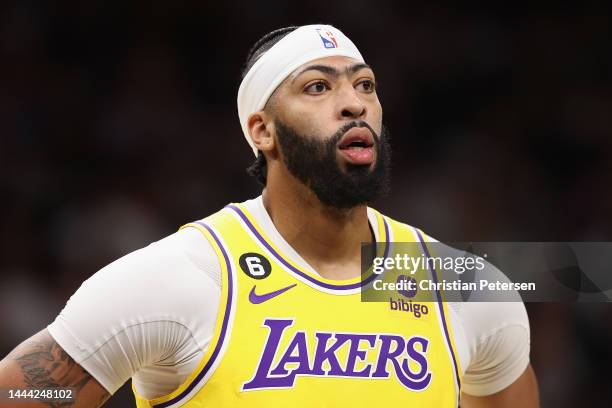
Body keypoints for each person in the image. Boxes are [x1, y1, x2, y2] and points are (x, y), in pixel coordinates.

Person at [0, 24, 539, 407]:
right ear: (263, 131)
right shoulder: (183, 277)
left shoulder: (461, 286)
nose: (354, 103)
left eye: (365, 84)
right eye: (318, 87)